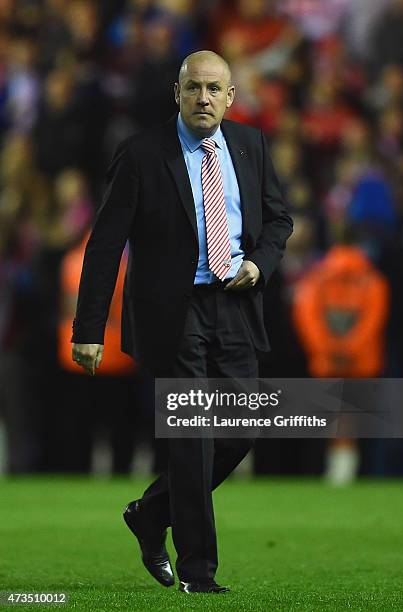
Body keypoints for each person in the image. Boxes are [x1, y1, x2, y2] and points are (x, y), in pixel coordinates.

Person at [72, 50, 293, 594]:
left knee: (241, 431)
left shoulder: (251, 145)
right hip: (175, 314)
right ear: (176, 93)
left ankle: (150, 513)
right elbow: (105, 245)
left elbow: (279, 219)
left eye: (214, 89)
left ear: (231, 97)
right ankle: (199, 571)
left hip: (236, 303)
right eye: (194, 88)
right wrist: (88, 328)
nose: (203, 99)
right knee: (192, 437)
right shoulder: (142, 153)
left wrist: (258, 264)